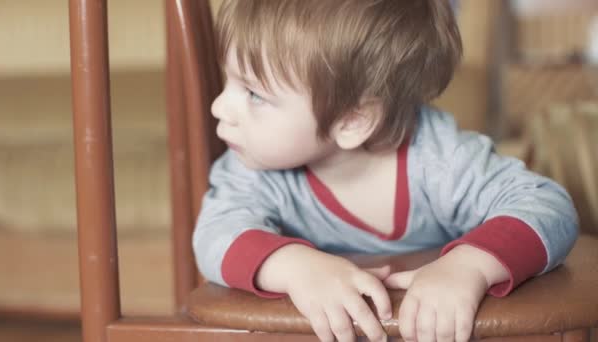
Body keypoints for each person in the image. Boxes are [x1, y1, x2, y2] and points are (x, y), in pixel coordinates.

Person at [193, 0, 579, 341]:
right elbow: (214, 236)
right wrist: (297, 269)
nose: (219, 107)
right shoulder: (251, 169)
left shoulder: (439, 160)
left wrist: (469, 267)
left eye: (254, 94)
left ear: (352, 120)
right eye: (229, 80)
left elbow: (549, 208)